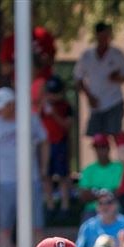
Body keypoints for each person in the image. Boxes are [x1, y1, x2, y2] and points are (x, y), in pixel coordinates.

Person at [0, 87, 48, 247]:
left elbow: (44, 141)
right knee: (5, 227)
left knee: (37, 226)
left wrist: (43, 168)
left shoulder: (31, 119)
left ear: (12, 105)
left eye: (1, 106)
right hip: (6, 183)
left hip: (31, 180)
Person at [76, 21, 124, 138]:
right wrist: (89, 96)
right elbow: (78, 78)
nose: (104, 39)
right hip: (96, 104)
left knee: (114, 135)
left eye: (107, 36)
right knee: (95, 137)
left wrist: (118, 78)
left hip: (114, 101)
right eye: (101, 36)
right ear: (96, 35)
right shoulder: (87, 56)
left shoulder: (118, 55)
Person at [40, 76, 74, 214]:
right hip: (45, 145)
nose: (52, 96)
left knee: (63, 175)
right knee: (46, 175)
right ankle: (50, 205)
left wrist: (54, 114)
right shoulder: (43, 107)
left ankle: (65, 205)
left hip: (60, 143)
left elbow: (68, 125)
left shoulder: (66, 106)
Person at [76, 135, 123, 217]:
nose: (100, 150)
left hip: (115, 210)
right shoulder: (88, 170)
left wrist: (95, 193)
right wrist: (108, 193)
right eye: (97, 148)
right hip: (93, 210)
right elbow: (84, 196)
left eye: (103, 147)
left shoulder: (120, 168)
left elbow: (121, 192)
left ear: (108, 148)